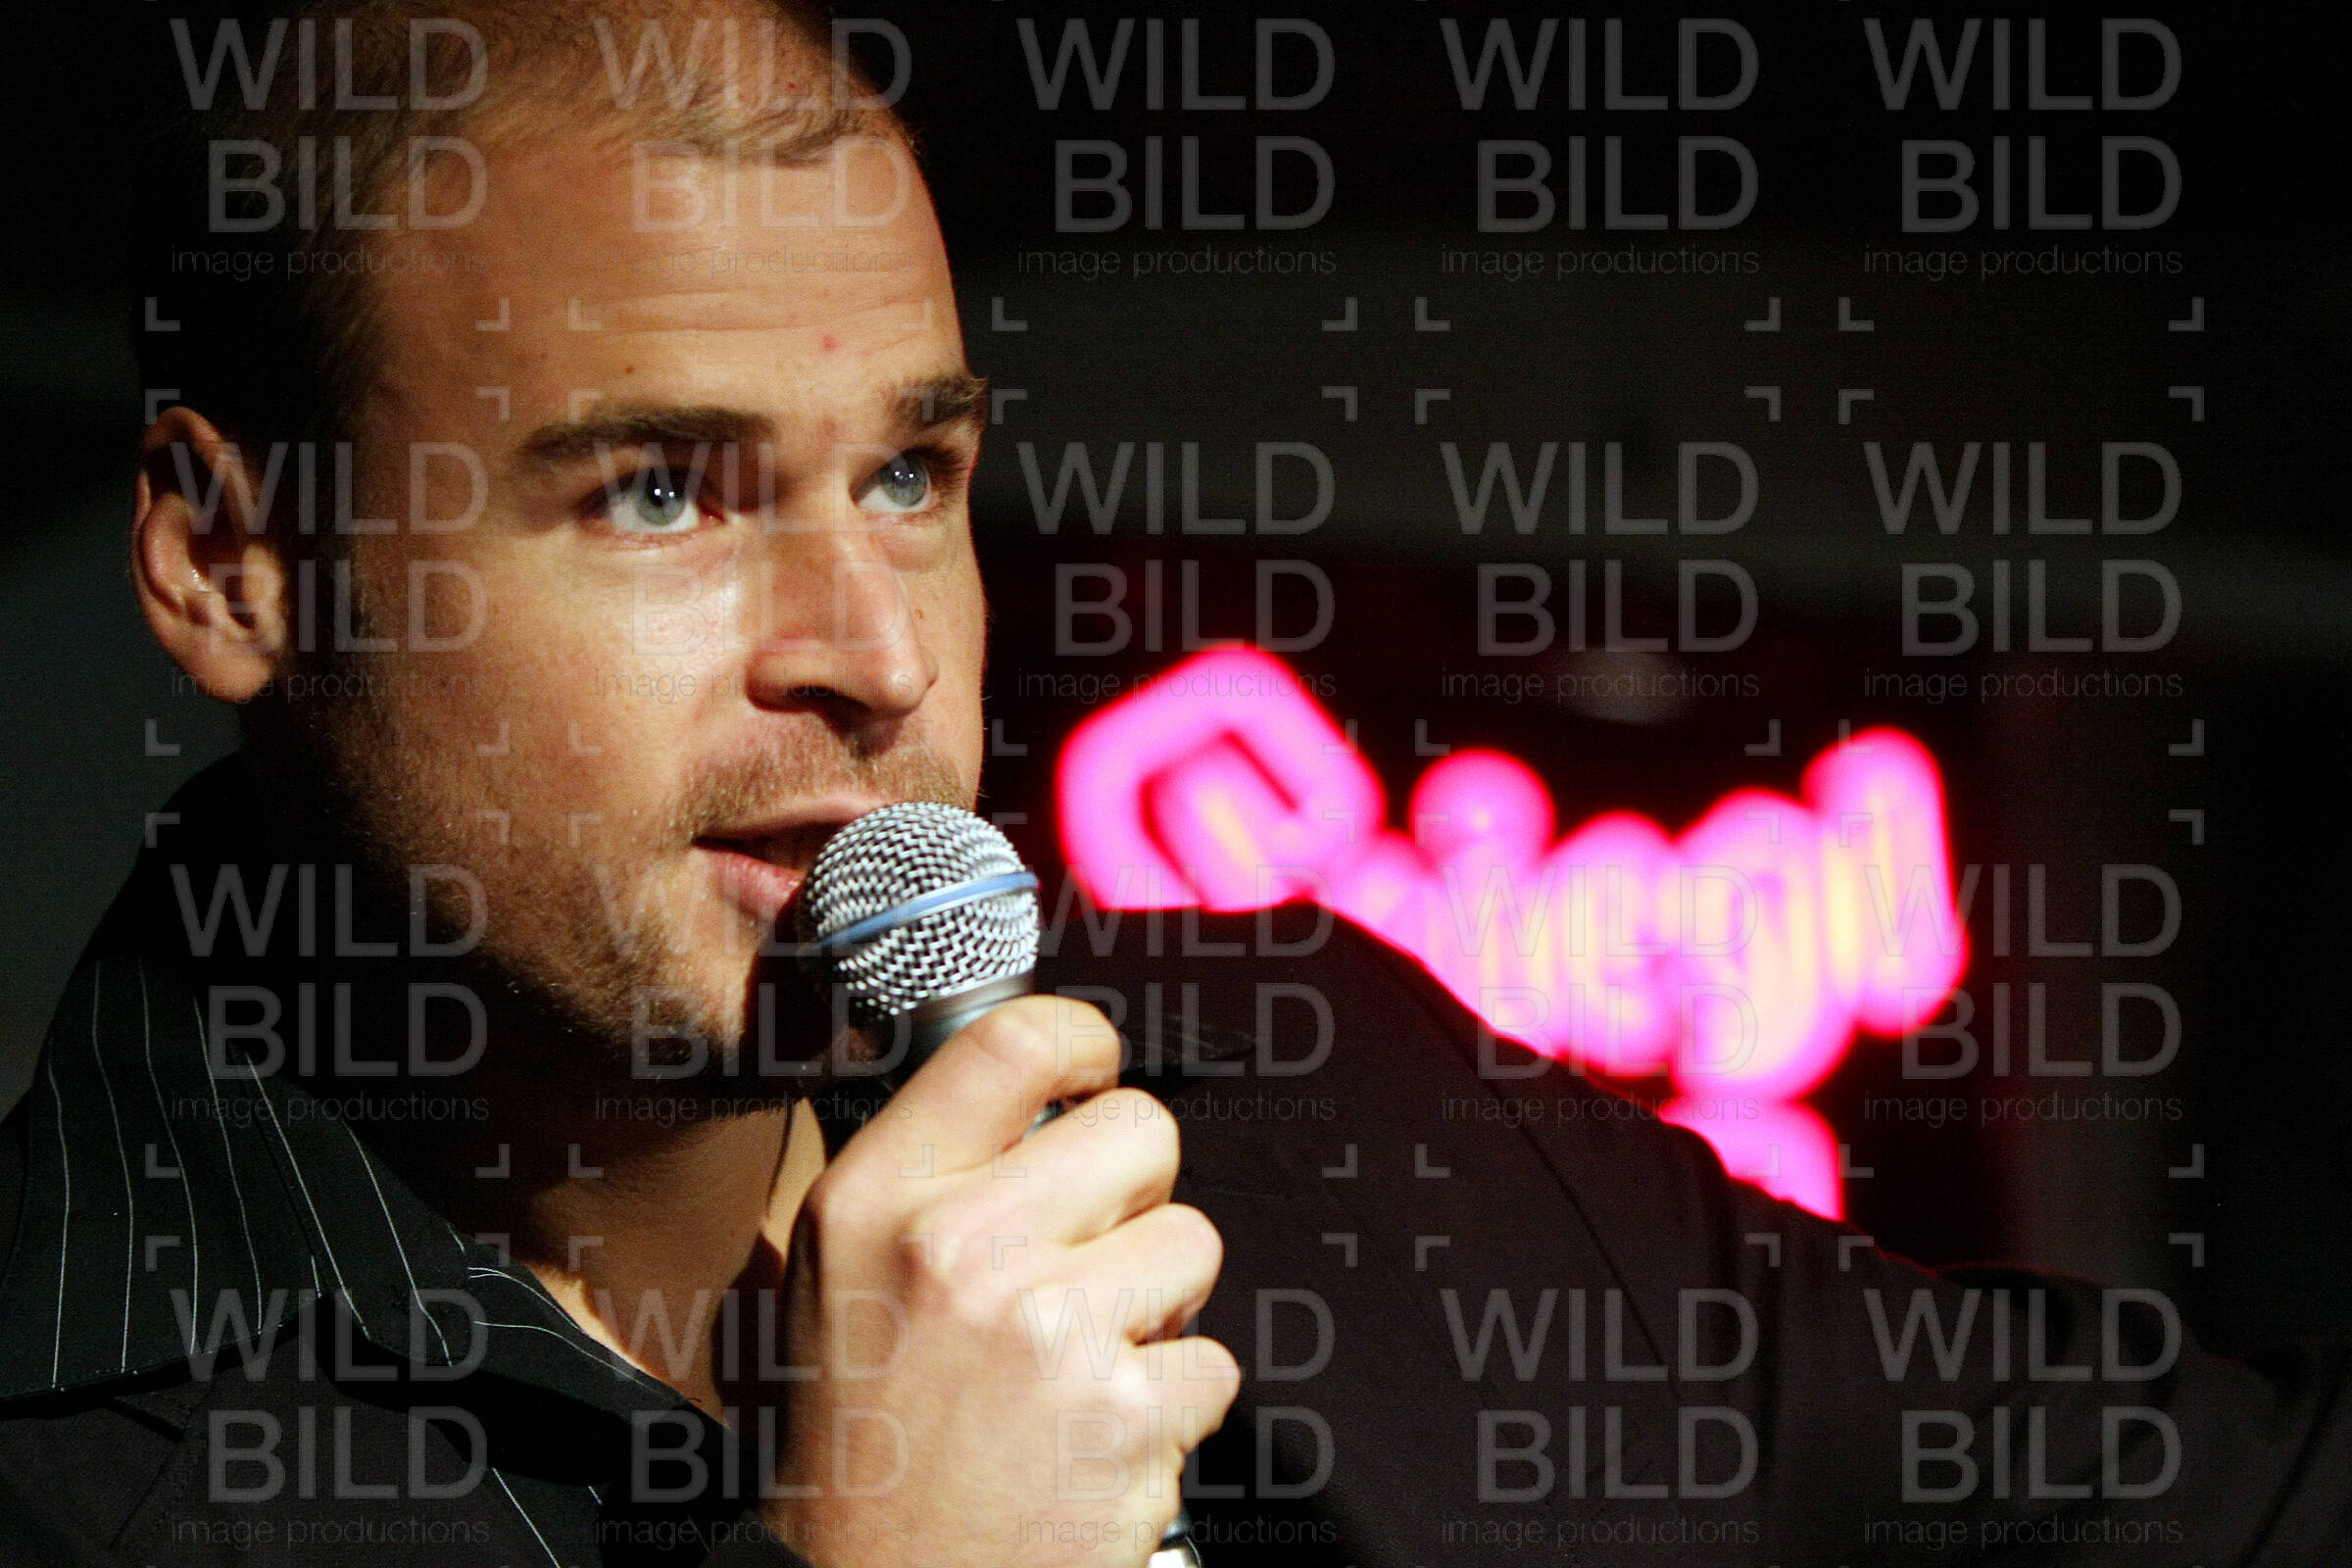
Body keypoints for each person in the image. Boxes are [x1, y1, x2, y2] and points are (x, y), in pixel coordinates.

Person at [1, 2, 2346, 1564]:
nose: (874, 653)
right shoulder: (69, 1453)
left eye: (908, 475)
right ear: (230, 562)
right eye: (659, 493)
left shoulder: (1318, 1087)